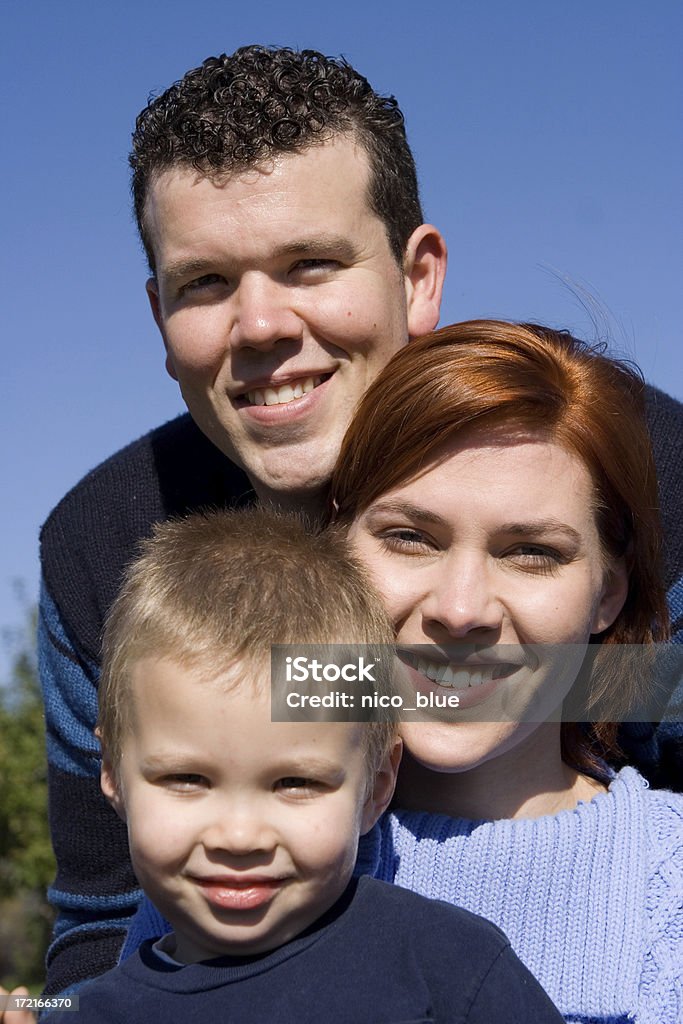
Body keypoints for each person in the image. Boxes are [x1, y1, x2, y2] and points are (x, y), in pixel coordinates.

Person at [38, 44, 682, 998]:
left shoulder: (624, 462)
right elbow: (104, 917)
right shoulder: (109, 545)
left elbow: (623, 689)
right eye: (206, 282)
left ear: (417, 277)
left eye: (310, 264)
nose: (259, 326)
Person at [41, 507, 562, 1024]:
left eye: (295, 783)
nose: (240, 836)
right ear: (111, 773)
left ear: (377, 786)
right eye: (187, 779)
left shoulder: (444, 965)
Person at [325, 320, 683, 1023]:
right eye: (409, 537)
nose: (461, 611)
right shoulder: (225, 859)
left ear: (607, 594)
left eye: (530, 553)